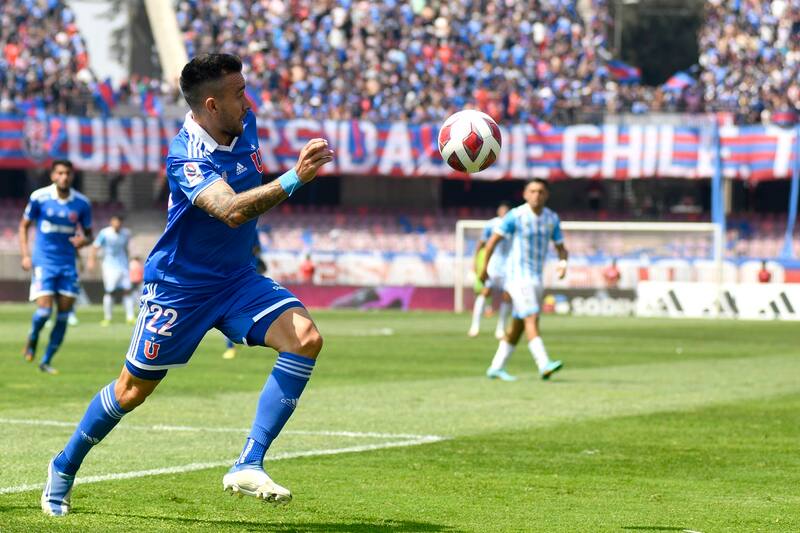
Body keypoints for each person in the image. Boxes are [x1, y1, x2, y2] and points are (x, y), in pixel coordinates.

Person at [41, 54, 334, 517]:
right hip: (180, 287)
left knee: (305, 339)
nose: (249, 100)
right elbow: (232, 209)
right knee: (131, 392)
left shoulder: (246, 122)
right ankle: (63, 465)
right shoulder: (186, 156)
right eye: (239, 93)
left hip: (237, 279)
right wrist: (295, 177)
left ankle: (248, 461)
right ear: (212, 105)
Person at [480, 179, 567, 382]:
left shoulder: (551, 218)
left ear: (547, 195)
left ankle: (496, 367)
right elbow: (492, 242)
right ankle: (543, 363)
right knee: (531, 317)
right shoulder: (516, 216)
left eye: (541, 191)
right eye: (532, 191)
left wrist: (563, 263)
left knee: (518, 325)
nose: (536, 195)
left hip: (536, 277)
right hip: (517, 278)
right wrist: (484, 268)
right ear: (525, 194)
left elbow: (561, 247)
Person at [19, 160, 93, 375]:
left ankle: (46, 360)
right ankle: (32, 338)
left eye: (68, 173)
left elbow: (89, 235)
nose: (64, 177)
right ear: (53, 176)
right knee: (43, 312)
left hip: (67, 264)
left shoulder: (82, 203)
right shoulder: (39, 198)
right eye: (60, 173)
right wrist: (25, 255)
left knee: (62, 316)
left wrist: (84, 241)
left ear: (72, 176)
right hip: (44, 262)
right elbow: (24, 226)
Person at [468, 202, 512, 339]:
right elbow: (481, 244)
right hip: (493, 264)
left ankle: (500, 328)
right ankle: (475, 326)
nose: (504, 212)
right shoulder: (492, 224)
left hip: (509, 266)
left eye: (506, 210)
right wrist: (476, 262)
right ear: (498, 211)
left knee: (507, 296)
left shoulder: (514, 224)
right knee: (485, 292)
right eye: (502, 209)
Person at [223, 238, 267, 360]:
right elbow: (256, 249)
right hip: (239, 277)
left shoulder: (249, 228)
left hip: (245, 276)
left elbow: (256, 249)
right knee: (229, 314)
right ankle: (233, 345)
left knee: (229, 313)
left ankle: (234, 343)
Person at [88, 214, 135, 326]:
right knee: (110, 291)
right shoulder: (105, 233)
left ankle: (130, 317)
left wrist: (129, 261)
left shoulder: (126, 233)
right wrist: (92, 261)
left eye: (119, 222)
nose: (117, 224)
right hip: (109, 266)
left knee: (127, 290)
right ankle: (107, 318)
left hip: (123, 265)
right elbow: (95, 247)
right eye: (115, 221)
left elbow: (126, 248)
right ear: (111, 222)